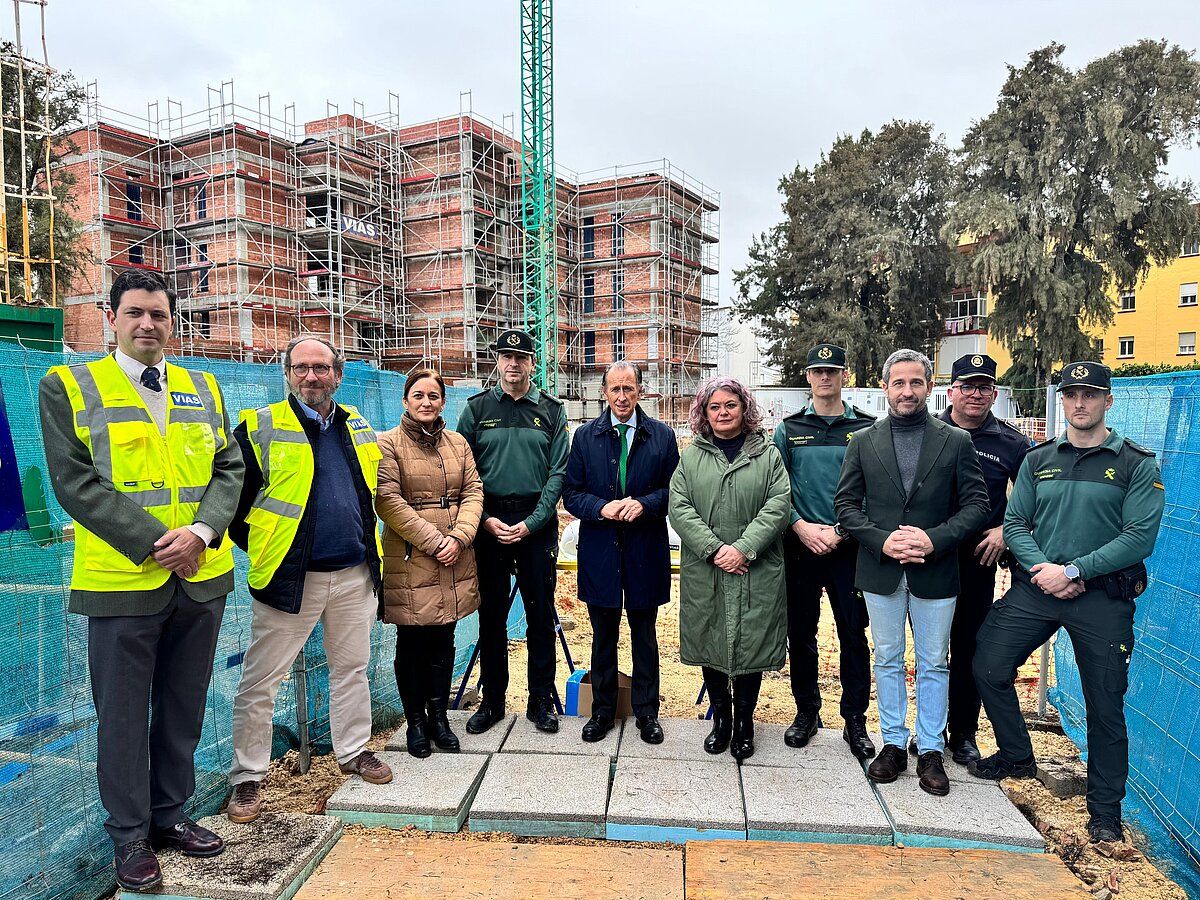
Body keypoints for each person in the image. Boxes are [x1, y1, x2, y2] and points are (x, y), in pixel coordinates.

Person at [38, 269, 244, 892]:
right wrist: (161, 544)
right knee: (123, 718)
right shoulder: (69, 386)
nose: (147, 324)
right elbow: (75, 484)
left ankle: (169, 816)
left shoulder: (202, 385)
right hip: (123, 583)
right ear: (112, 318)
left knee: (183, 708)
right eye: (134, 312)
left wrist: (201, 533)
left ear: (172, 321)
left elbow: (229, 468)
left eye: (158, 313)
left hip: (201, 578)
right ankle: (130, 837)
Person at [971, 361, 1165, 844]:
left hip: (1102, 599)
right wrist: (1045, 569)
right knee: (989, 665)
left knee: (1104, 705)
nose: (1080, 403)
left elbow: (1139, 537)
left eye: (1090, 394)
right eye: (1072, 394)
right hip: (1038, 589)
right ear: (1063, 400)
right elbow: (1016, 524)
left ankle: (1104, 813)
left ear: (1108, 401)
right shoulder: (1039, 459)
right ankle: (1016, 754)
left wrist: (1075, 571)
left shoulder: (1136, 463)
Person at [226, 336, 392, 825]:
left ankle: (353, 751)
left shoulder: (356, 424)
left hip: (353, 573)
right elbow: (232, 503)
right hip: (290, 577)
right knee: (261, 680)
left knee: (351, 669)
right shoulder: (259, 426)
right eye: (301, 368)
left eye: (321, 368)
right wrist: (268, 548)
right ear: (287, 373)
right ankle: (248, 776)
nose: (311, 376)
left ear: (337, 375)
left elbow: (368, 494)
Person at [834, 348, 989, 796]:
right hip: (880, 570)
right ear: (885, 388)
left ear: (930, 387)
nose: (907, 391)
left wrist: (934, 539)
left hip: (935, 571)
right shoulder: (863, 441)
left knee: (933, 661)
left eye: (916, 382)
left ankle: (931, 750)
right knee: (886, 657)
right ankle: (893, 744)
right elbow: (845, 506)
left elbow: (977, 505)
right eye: (898, 383)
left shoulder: (955, 441)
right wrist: (881, 540)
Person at [669, 376, 791, 761]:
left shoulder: (767, 454)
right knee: (711, 642)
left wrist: (743, 548)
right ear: (704, 413)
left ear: (744, 408)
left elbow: (778, 504)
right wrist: (715, 549)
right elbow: (679, 507)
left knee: (751, 644)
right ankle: (721, 719)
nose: (723, 413)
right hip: (707, 569)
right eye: (715, 407)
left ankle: (745, 722)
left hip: (756, 568)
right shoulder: (691, 457)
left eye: (730, 405)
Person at [455, 329, 569, 735]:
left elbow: (558, 473)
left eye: (521, 357)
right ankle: (493, 702)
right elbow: (463, 470)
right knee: (492, 617)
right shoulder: (476, 409)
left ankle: (540, 701)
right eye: (506, 356)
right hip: (489, 522)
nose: (513, 363)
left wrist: (532, 522)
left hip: (535, 523)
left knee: (540, 616)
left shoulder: (552, 411)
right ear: (498, 362)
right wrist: (484, 518)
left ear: (532, 363)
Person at [922, 353, 1031, 766]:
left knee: (969, 647)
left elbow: (1033, 499)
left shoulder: (1012, 443)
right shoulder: (926, 431)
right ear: (951, 391)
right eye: (967, 386)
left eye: (983, 387)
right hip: (929, 558)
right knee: (930, 652)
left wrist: (1006, 530)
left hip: (977, 561)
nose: (975, 394)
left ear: (994, 394)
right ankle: (929, 731)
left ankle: (963, 733)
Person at [562, 361, 680, 745]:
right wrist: (601, 507)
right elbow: (571, 494)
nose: (622, 396)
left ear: (641, 391)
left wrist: (645, 504)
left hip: (645, 550)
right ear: (604, 393)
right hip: (601, 552)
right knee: (603, 637)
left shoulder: (662, 437)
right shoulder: (585, 437)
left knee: (645, 636)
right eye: (615, 389)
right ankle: (602, 711)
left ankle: (647, 713)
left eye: (629, 388)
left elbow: (676, 492)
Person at [773, 343, 877, 760]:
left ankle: (855, 720)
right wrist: (799, 525)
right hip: (800, 547)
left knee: (853, 634)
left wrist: (841, 530)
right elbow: (776, 489)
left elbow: (874, 490)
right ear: (808, 377)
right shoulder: (789, 429)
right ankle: (806, 712)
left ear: (844, 376)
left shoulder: (866, 429)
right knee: (801, 635)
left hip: (848, 548)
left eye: (832, 371)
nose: (825, 377)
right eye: (818, 371)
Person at [375, 369, 484, 757]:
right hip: (412, 556)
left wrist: (460, 537)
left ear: (443, 402)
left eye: (433, 396)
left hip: (455, 554)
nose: (426, 402)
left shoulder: (458, 444)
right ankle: (416, 723)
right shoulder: (388, 443)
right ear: (405, 401)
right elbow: (387, 500)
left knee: (444, 638)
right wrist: (437, 541)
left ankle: (439, 718)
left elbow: (473, 491)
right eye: (418, 395)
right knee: (411, 641)